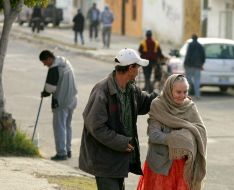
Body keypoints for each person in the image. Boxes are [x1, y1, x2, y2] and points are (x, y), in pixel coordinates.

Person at [79, 48, 158, 190]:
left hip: (119, 160)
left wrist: (169, 97)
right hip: (105, 161)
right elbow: (96, 127)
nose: (139, 70)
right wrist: (120, 142)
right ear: (130, 68)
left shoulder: (131, 89)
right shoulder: (102, 90)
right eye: (138, 67)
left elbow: (147, 102)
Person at [137, 74, 207, 190]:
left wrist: (186, 136)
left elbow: (200, 130)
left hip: (184, 166)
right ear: (169, 90)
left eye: (185, 92)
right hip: (160, 166)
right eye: (178, 92)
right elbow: (154, 135)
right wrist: (175, 138)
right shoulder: (158, 105)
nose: (182, 96)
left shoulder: (189, 107)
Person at [39, 50, 78, 161]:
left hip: (61, 101)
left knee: (59, 127)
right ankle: (68, 150)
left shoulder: (54, 68)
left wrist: (44, 93)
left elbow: (50, 88)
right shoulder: (65, 62)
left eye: (44, 62)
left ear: (49, 58)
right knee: (67, 126)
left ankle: (61, 153)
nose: (44, 64)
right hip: (73, 98)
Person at [184, 34, 205, 99]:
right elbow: (203, 57)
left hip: (189, 66)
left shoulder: (190, 45)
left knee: (188, 81)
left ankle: (187, 95)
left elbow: (188, 55)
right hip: (198, 66)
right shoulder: (200, 46)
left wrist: (185, 63)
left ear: (192, 38)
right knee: (197, 81)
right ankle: (197, 95)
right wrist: (201, 64)